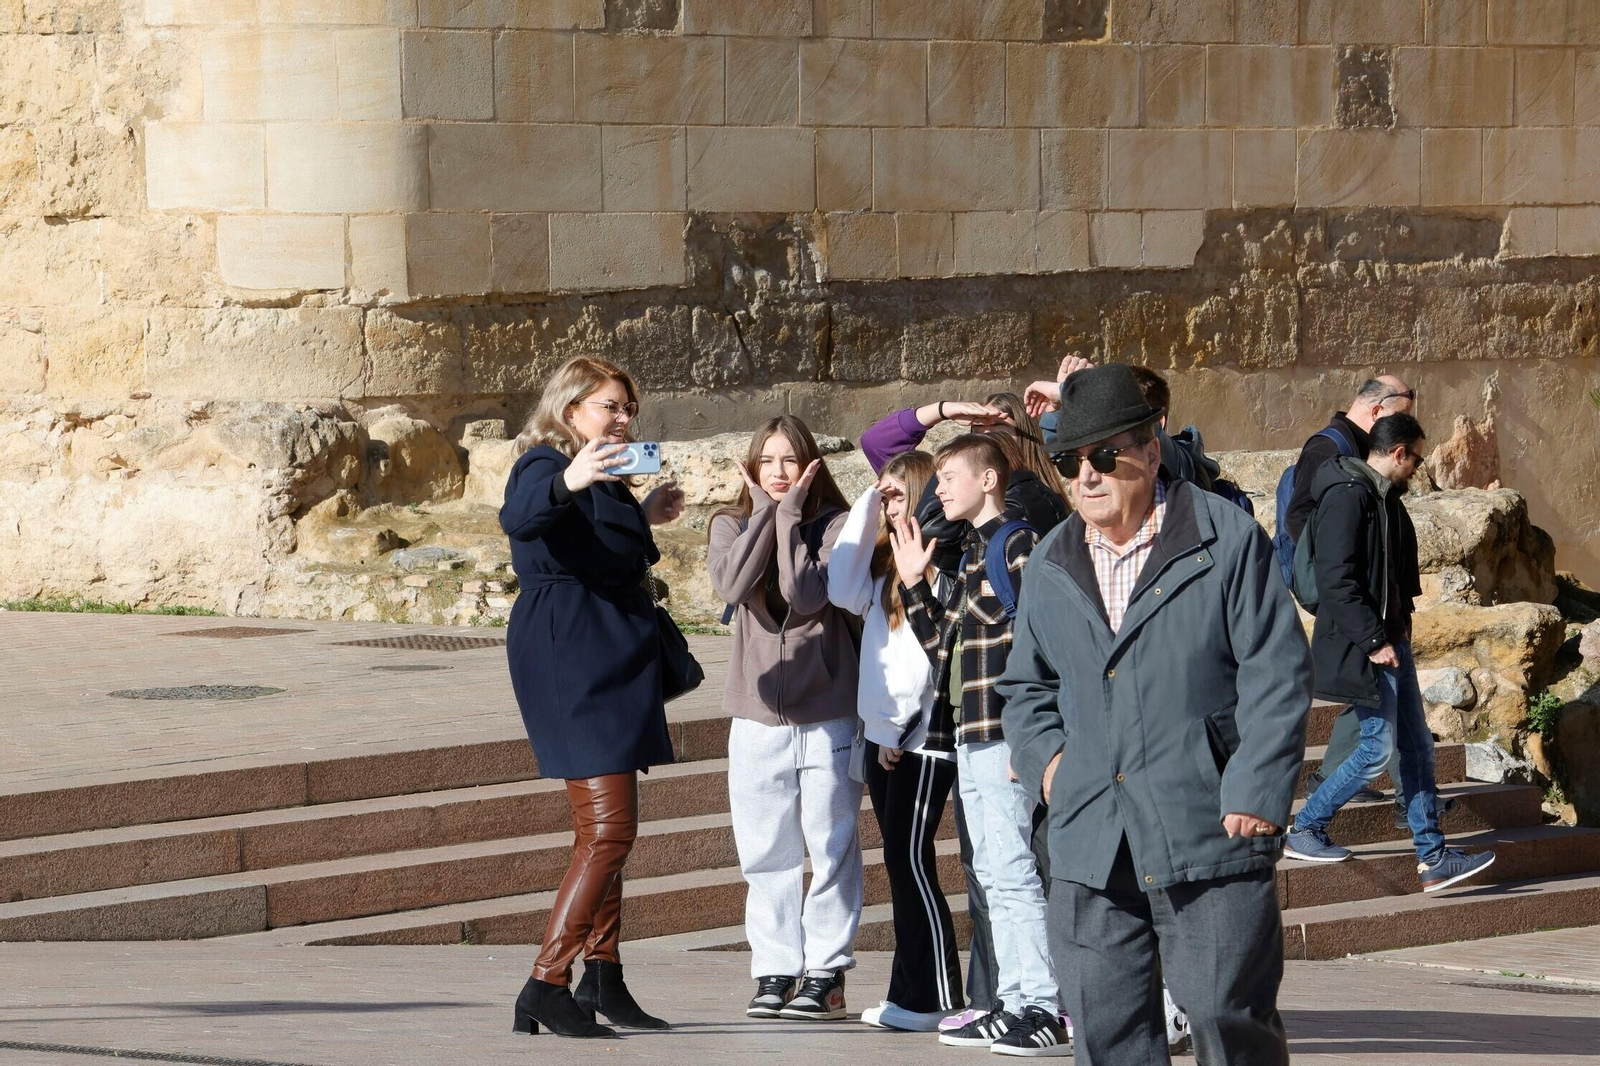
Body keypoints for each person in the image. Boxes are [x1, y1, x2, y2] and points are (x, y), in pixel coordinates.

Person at [1000, 364, 1314, 1065]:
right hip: (1090, 837)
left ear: (1149, 447)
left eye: (1103, 455)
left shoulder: (1224, 539)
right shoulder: (1051, 562)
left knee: (1224, 1016)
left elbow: (1277, 667)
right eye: (1069, 461)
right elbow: (1024, 687)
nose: (1086, 475)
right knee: (1106, 1032)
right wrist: (1048, 765)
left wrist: (1258, 786)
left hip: (1208, 823)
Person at [860, 395, 1069, 1028]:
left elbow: (1046, 643)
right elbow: (939, 645)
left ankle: (1043, 1003)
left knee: (1011, 871)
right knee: (991, 869)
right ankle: (1011, 999)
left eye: (949, 478)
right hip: (972, 731)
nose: (938, 492)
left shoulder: (1017, 544)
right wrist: (918, 581)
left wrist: (1036, 738)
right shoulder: (972, 552)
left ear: (988, 480)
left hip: (1006, 731)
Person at [500, 356, 686, 1039]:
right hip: (571, 661)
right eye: (610, 406)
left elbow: (604, 553)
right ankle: (547, 981)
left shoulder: (604, 476)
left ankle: (601, 975)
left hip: (609, 662)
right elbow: (518, 519)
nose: (623, 418)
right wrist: (570, 480)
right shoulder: (543, 465)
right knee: (609, 830)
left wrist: (646, 514)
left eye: (627, 408)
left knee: (600, 829)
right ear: (570, 409)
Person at [1284, 414, 1498, 891]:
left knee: (1418, 747)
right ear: (1399, 452)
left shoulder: (1381, 498)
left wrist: (1395, 634)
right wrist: (1375, 642)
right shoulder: (1347, 496)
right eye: (1417, 457)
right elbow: (1339, 582)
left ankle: (1433, 857)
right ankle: (1306, 828)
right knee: (1376, 750)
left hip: (1391, 640)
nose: (1419, 467)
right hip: (1367, 646)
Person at [706, 415, 863, 1022]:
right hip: (754, 717)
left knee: (830, 845)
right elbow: (731, 583)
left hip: (828, 714)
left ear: (810, 467)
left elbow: (805, 594)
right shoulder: (728, 524)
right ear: (751, 466)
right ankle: (775, 967)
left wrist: (792, 516)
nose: (778, 472)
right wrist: (762, 514)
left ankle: (825, 971)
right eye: (767, 461)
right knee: (765, 850)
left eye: (789, 461)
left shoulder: (837, 526)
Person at [828, 450, 965, 1033]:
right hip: (885, 736)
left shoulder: (938, 560)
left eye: (897, 493)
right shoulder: (883, 571)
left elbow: (933, 657)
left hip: (924, 736)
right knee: (901, 862)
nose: (888, 503)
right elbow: (838, 583)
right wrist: (869, 497)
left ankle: (938, 995)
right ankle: (908, 994)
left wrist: (901, 731)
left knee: (911, 861)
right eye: (882, 495)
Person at [1282, 376, 1418, 809]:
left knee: (1381, 693)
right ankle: (1323, 798)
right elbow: (1301, 518)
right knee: (1373, 689)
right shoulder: (1330, 449)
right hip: (1350, 595)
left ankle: (1414, 802)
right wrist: (1347, 582)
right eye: (1402, 420)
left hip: (1369, 594)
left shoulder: (1357, 448)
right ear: (1378, 410)